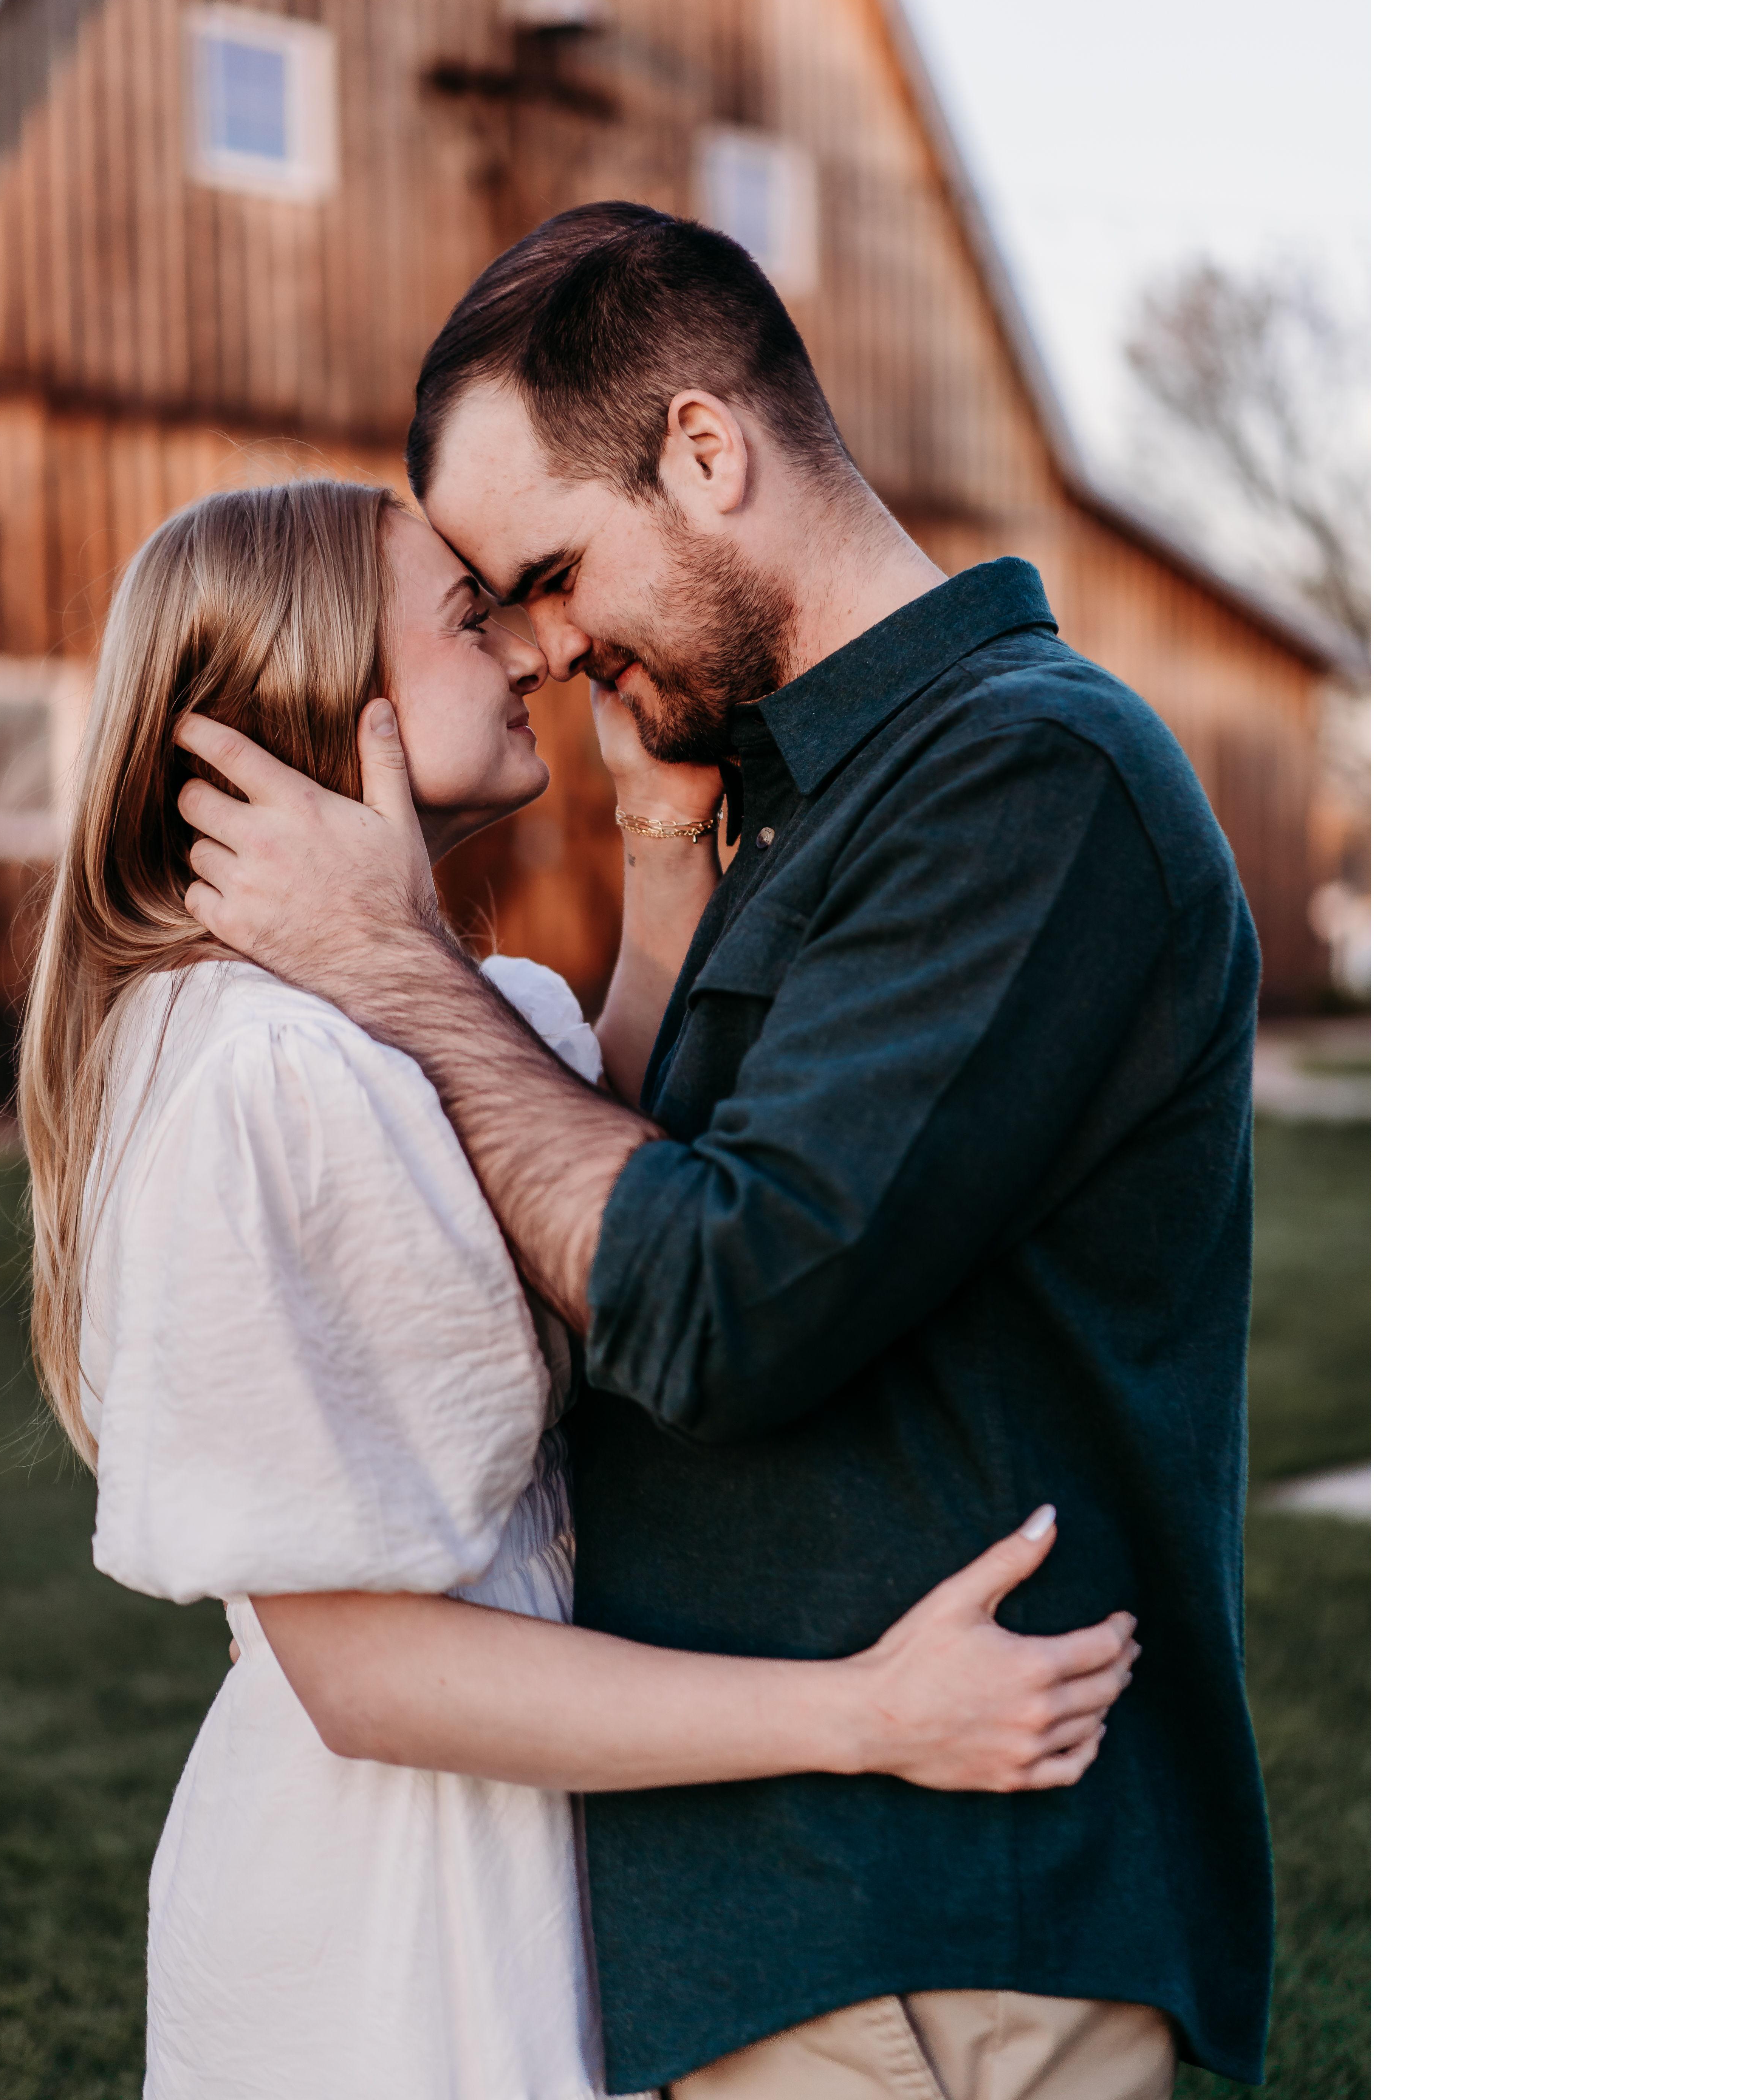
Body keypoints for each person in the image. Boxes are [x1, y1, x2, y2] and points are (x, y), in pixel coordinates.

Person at [172, 206, 1276, 2100]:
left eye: (547, 575)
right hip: (791, 1921)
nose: (543, 646)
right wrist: (665, 854)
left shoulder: (1026, 779)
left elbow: (713, 1300)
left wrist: (396, 966)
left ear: (703, 449)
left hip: (939, 1913)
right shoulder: (802, 801)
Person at [17, 478, 1140, 2100]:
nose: (535, 652)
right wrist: (871, 1715)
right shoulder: (263, 1071)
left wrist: (659, 824)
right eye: (470, 618)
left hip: (526, 1828)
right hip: (387, 1924)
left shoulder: (384, 1007)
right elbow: (365, 1673)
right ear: (331, 688)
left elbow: (592, 1176)